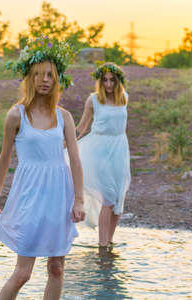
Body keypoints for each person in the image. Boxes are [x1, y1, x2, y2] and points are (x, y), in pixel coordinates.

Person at [0, 36, 85, 300]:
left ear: (57, 80)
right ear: (29, 79)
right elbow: (4, 159)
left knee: (56, 268)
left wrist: (79, 200)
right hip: (30, 195)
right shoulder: (16, 115)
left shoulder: (64, 117)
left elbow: (75, 160)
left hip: (59, 195)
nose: (44, 80)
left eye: (50, 75)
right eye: (38, 75)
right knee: (23, 273)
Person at [74, 62, 131, 247]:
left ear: (118, 81)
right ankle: (102, 246)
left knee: (118, 198)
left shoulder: (124, 98)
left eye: (112, 80)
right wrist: (67, 142)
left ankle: (109, 240)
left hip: (119, 148)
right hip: (99, 149)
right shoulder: (93, 100)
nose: (108, 84)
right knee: (108, 196)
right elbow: (82, 127)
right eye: (104, 80)